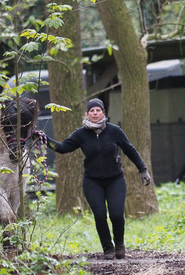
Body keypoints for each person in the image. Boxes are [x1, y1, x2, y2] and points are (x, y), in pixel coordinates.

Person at [37, 98, 151, 260]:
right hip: (92, 181)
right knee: (99, 214)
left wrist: (143, 170)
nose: (95, 113)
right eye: (92, 111)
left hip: (115, 180)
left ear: (103, 113)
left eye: (98, 110)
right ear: (87, 114)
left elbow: (130, 150)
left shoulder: (115, 131)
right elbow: (63, 148)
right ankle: (108, 249)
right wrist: (44, 139)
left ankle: (119, 245)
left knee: (117, 214)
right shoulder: (81, 134)